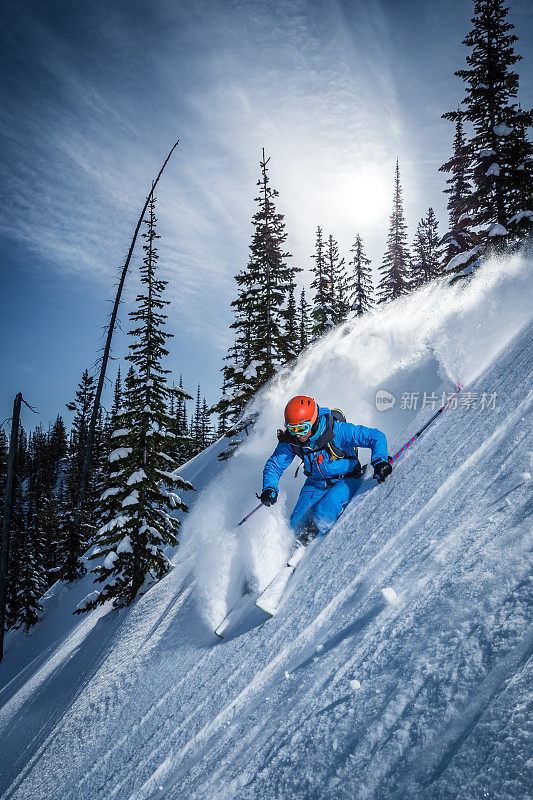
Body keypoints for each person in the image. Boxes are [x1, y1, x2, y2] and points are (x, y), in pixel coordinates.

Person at [260, 395, 392, 540]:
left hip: (347, 478)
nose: (298, 435)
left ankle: (316, 545)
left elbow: (375, 436)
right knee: (294, 526)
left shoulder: (338, 431)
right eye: (292, 429)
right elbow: (274, 465)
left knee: (325, 510)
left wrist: (380, 460)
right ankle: (296, 548)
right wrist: (269, 487)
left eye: (302, 429)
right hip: (315, 483)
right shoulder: (292, 441)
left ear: (314, 421)